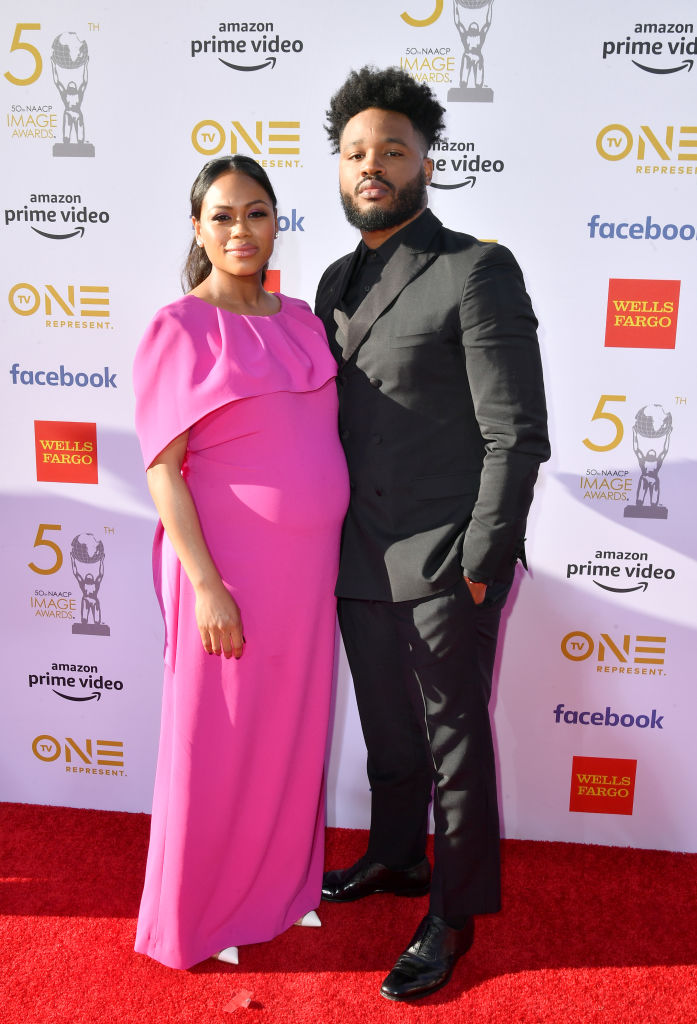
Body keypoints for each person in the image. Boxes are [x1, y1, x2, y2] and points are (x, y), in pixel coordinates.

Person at [315, 67, 550, 1001]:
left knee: (454, 748)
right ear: (339, 168)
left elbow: (514, 433)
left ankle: (453, 913)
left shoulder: (474, 268)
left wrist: (480, 561)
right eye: (354, 153)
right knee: (386, 730)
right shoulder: (334, 279)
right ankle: (395, 856)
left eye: (391, 151)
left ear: (426, 163)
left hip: (447, 557)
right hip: (355, 554)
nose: (371, 167)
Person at [132, 155, 349, 970]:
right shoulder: (178, 329)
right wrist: (205, 585)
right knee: (216, 741)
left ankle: (280, 894)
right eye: (221, 216)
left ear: (275, 221)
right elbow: (163, 470)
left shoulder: (302, 321)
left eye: (255, 212)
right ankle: (199, 915)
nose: (239, 230)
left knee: (291, 731)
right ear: (197, 228)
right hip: (227, 572)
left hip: (307, 574)